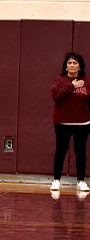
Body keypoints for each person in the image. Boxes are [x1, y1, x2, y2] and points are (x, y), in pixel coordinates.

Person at [50, 52, 90, 192]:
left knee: (80, 152)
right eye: (69, 63)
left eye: (75, 63)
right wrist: (72, 86)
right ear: (66, 67)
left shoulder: (86, 81)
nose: (72, 65)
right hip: (63, 123)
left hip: (82, 124)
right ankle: (56, 180)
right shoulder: (60, 80)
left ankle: (81, 181)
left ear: (80, 66)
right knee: (61, 150)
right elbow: (56, 96)